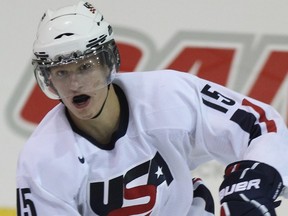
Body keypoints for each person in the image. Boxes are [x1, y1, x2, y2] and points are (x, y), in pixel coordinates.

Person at [16, 1, 288, 215]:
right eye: (61, 73)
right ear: (48, 78)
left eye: (85, 67)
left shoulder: (168, 95)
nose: (74, 83)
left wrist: (256, 178)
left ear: (108, 62)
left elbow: (260, 125)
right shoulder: (42, 162)